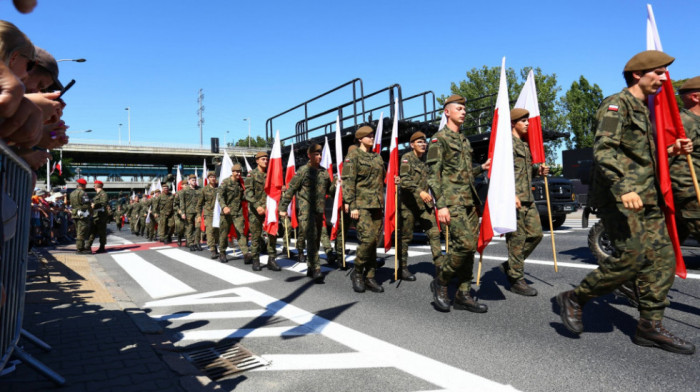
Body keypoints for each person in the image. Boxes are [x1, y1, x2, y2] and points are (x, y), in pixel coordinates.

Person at [556, 50, 695, 355]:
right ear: (637, 74)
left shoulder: (647, 110)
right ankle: (576, 297)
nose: (663, 78)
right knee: (632, 257)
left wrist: (673, 150)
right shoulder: (616, 105)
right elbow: (604, 150)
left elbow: (645, 157)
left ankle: (649, 326)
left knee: (663, 259)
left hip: (648, 196)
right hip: (620, 198)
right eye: (658, 73)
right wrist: (623, 188)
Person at [427, 94, 491, 312]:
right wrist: (441, 205)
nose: (463, 111)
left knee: (468, 249)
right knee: (464, 245)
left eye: (464, 108)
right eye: (459, 108)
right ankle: (441, 282)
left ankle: (463, 294)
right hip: (452, 202)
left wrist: (480, 168)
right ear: (447, 112)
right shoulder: (439, 139)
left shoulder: (463, 140)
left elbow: (463, 173)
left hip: (470, 201)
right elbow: (433, 175)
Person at [499, 108, 549, 296]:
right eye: (523, 121)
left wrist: (538, 172)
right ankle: (516, 279)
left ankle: (511, 265)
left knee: (536, 235)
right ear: (513, 123)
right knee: (517, 240)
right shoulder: (507, 144)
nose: (528, 123)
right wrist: (510, 194)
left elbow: (523, 171)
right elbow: (502, 172)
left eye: (528, 120)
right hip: (514, 199)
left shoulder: (525, 145)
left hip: (528, 197)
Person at [280, 144, 336, 283]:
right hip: (306, 211)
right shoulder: (303, 171)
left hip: (318, 212)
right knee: (311, 238)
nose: (319, 157)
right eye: (316, 154)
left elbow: (330, 191)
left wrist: (337, 183)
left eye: (320, 154)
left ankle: (311, 266)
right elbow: (291, 189)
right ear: (309, 155)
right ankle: (317, 268)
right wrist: (283, 207)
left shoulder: (324, 173)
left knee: (316, 240)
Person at [342, 126, 386, 293]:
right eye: (368, 136)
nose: (371, 138)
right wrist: (352, 204)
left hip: (376, 204)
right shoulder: (353, 156)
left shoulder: (377, 157)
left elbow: (384, 177)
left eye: (372, 135)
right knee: (367, 240)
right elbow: (348, 181)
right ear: (360, 139)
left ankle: (370, 276)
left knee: (374, 241)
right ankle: (358, 272)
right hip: (361, 205)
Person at [397, 131, 443, 281]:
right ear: (412, 145)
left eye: (424, 142)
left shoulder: (427, 160)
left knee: (434, 233)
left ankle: (439, 267)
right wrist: (420, 191)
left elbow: (434, 180)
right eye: (419, 142)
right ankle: (403, 267)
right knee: (406, 237)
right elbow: (404, 179)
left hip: (425, 205)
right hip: (409, 204)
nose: (423, 144)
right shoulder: (406, 158)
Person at [671, 76, 700, 244]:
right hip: (691, 193)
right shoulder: (682, 123)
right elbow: (670, 162)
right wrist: (688, 194)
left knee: (666, 249)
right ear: (695, 97)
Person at [246, 151, 281, 272]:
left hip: (269, 209)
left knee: (272, 234)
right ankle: (255, 259)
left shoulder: (271, 174)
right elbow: (248, 193)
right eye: (262, 159)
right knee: (256, 236)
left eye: (266, 159)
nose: (265, 161)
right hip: (256, 211)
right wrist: (257, 205)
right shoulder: (252, 175)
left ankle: (272, 259)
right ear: (257, 161)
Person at [218, 164, 251, 263]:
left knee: (240, 233)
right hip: (226, 213)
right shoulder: (225, 182)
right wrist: (224, 207)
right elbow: (220, 196)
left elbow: (242, 198)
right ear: (232, 172)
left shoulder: (240, 184)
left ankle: (245, 254)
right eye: (237, 172)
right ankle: (222, 252)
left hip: (237, 213)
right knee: (223, 234)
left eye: (240, 172)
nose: (238, 174)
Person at [198, 171, 220, 258]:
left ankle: (216, 246)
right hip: (209, 214)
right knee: (210, 232)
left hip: (218, 213)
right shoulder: (204, 190)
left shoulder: (219, 188)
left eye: (214, 177)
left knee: (217, 232)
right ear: (208, 179)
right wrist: (199, 215)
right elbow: (199, 204)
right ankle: (212, 249)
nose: (213, 178)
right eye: (211, 177)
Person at [179, 174, 203, 251]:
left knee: (198, 227)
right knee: (189, 228)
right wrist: (182, 213)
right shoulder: (184, 190)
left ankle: (197, 242)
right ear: (189, 181)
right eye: (192, 180)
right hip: (188, 212)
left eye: (195, 180)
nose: (194, 181)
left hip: (198, 212)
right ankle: (190, 243)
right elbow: (182, 202)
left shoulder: (199, 189)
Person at [69, 178, 91, 254]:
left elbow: (72, 204)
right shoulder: (83, 193)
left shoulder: (72, 193)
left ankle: (80, 247)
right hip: (82, 214)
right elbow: (87, 204)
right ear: (83, 185)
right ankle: (80, 248)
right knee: (81, 232)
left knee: (78, 230)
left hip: (75, 213)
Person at [87, 180, 108, 253]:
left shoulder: (103, 194)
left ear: (96, 186)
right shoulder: (97, 194)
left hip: (101, 216)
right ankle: (88, 246)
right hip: (95, 216)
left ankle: (102, 247)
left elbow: (103, 203)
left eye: (94, 185)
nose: (94, 187)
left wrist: (94, 205)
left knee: (101, 232)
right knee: (92, 231)